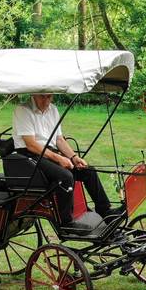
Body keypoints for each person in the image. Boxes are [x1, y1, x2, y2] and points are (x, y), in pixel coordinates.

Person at [12, 93, 120, 228]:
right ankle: (66, 223)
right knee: (65, 177)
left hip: (49, 152)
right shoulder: (22, 110)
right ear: (34, 94)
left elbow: (59, 139)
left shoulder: (53, 110)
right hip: (30, 155)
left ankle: (105, 211)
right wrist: (58, 158)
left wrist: (74, 158)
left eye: (49, 97)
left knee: (88, 171)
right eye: (42, 97)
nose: (46, 101)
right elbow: (31, 144)